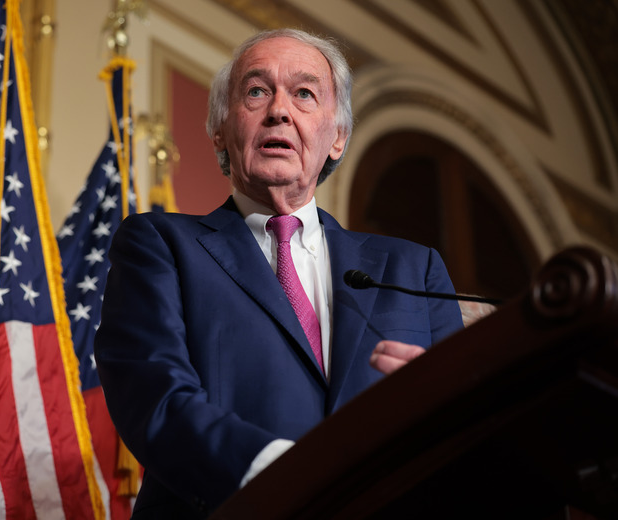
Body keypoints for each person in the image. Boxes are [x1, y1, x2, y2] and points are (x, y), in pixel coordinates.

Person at [94, 28, 464, 519]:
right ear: (220, 130)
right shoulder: (160, 245)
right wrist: (288, 475)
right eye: (256, 91)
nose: (279, 111)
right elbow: (153, 394)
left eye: (305, 93)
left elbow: (468, 432)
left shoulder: (414, 269)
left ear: (338, 137)